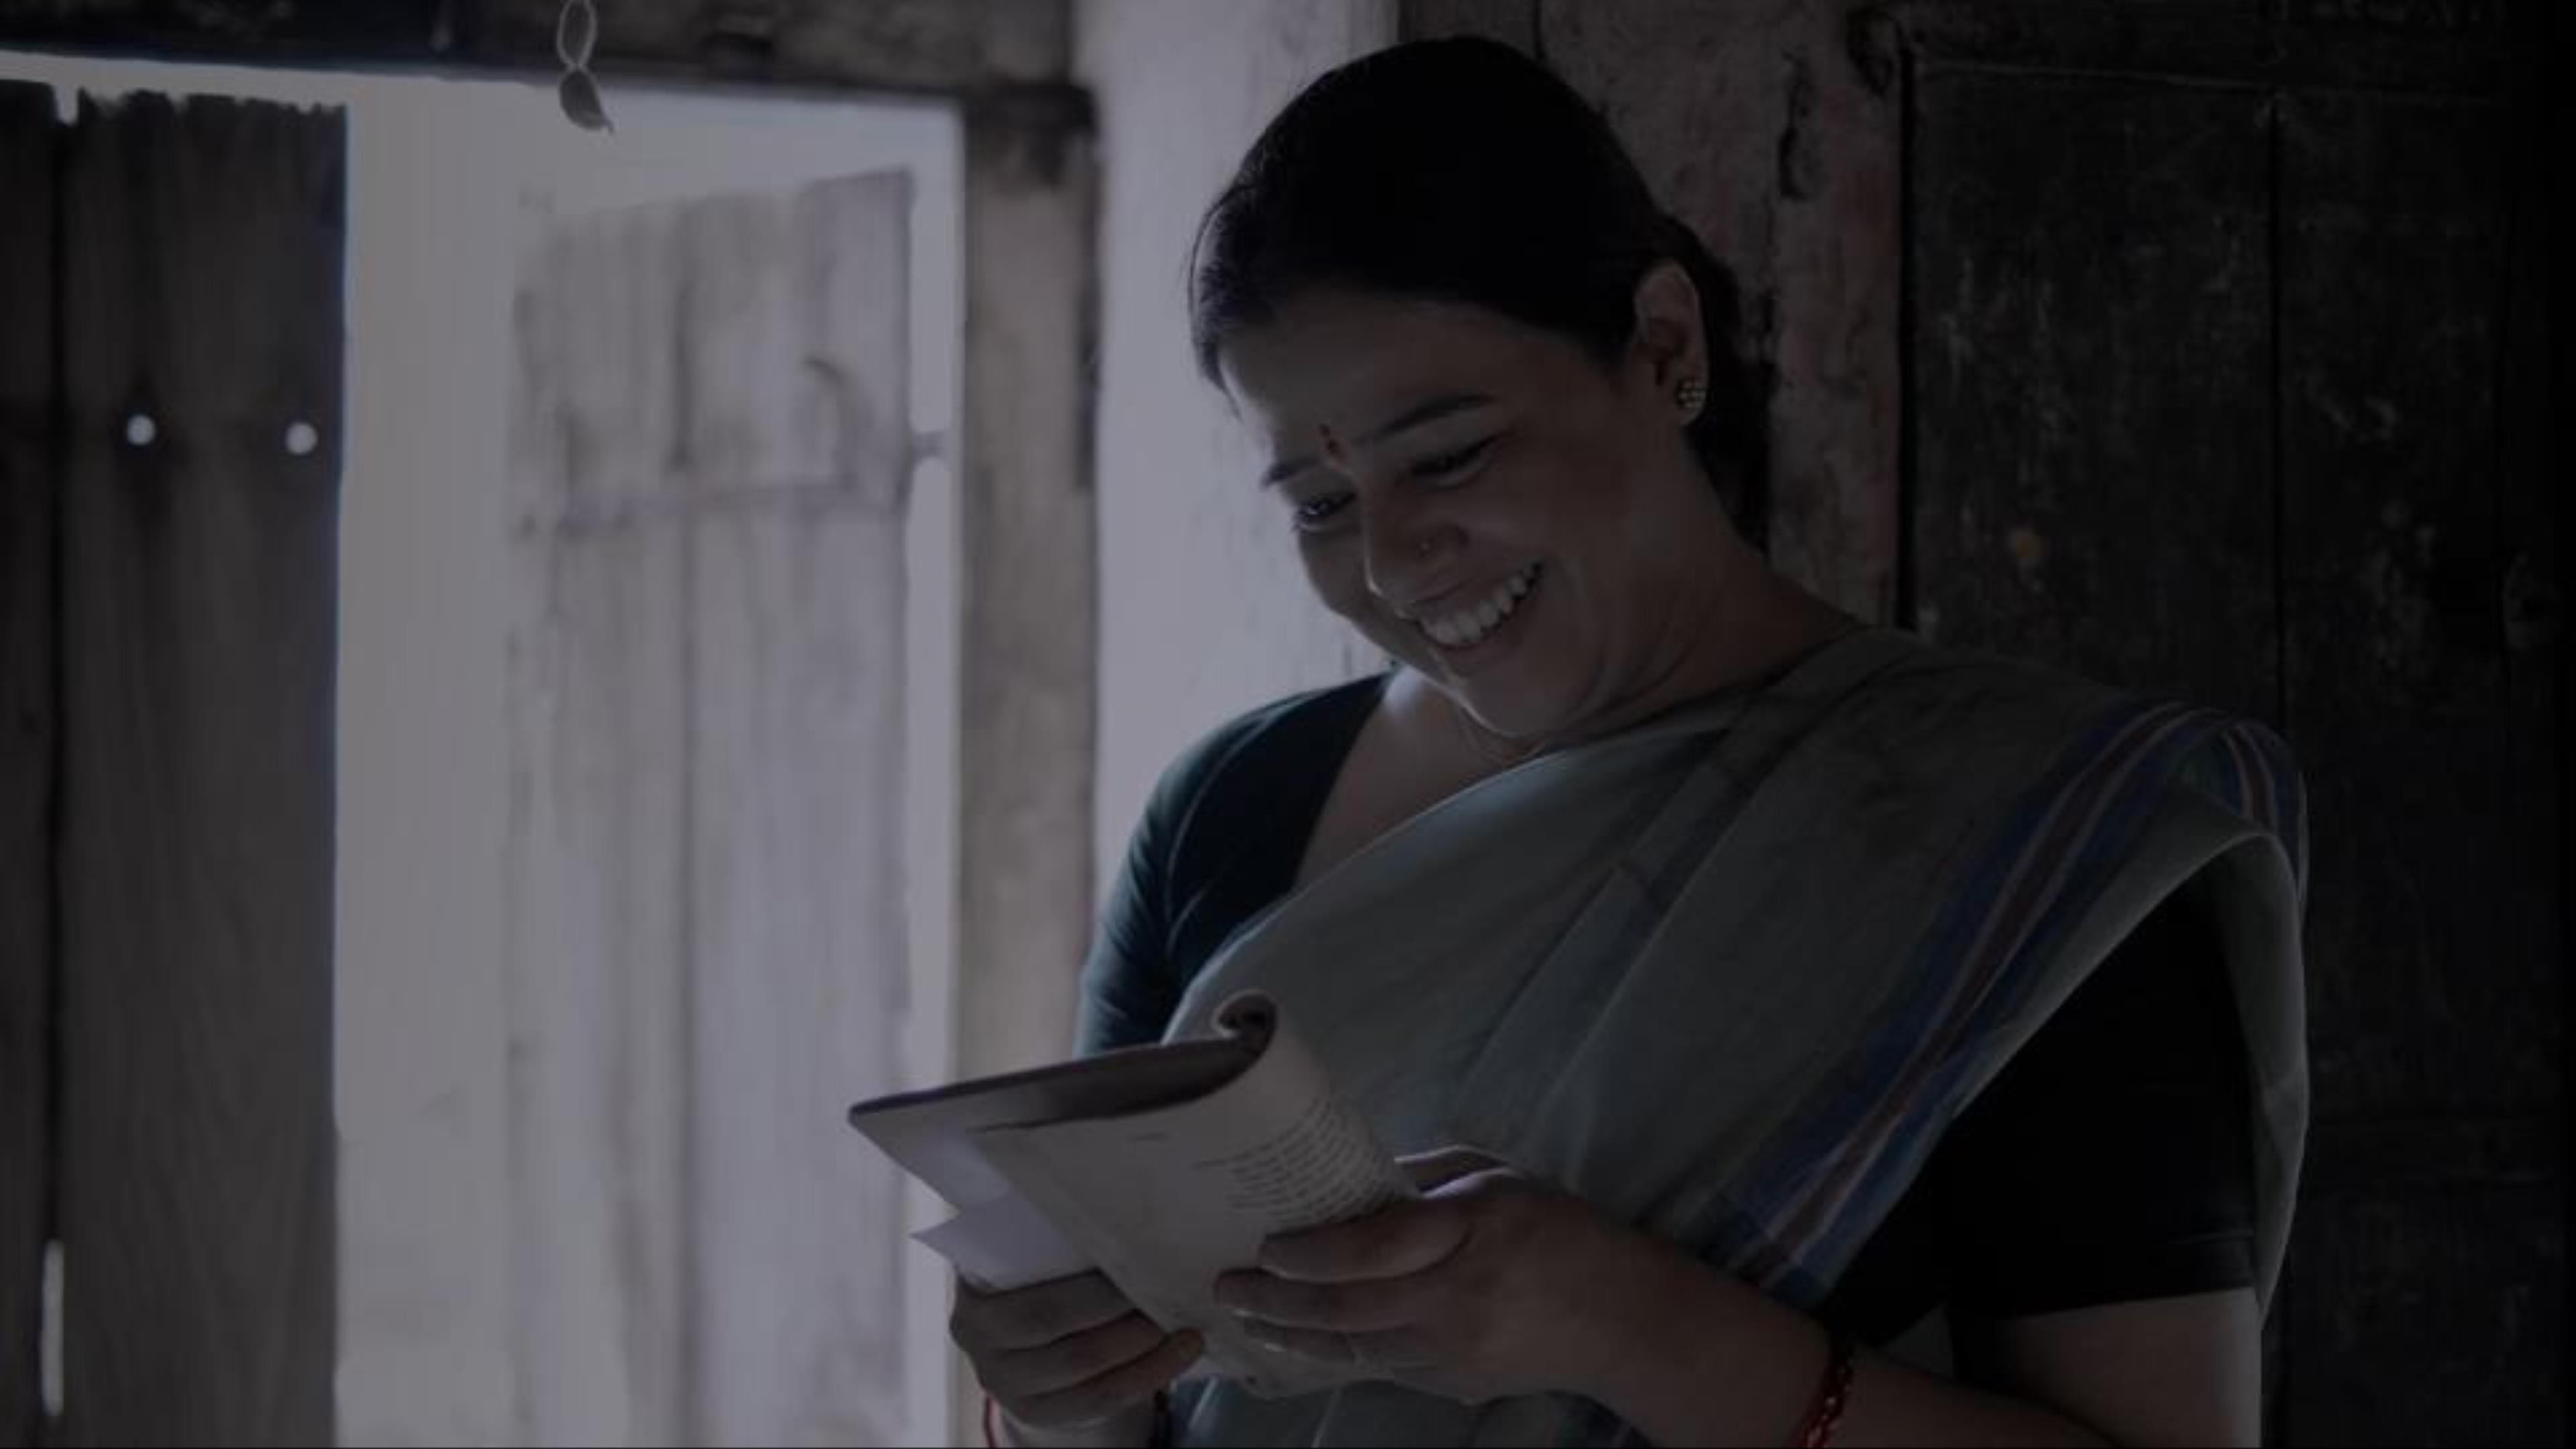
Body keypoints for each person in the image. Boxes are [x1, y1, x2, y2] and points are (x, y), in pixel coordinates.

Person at [951, 37, 2307, 1449]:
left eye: (1451, 455)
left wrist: (1628, 1325)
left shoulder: (2017, 841)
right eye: (1319, 504)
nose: (1395, 561)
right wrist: (1050, 1399)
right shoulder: (1231, 810)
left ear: (1663, 348)